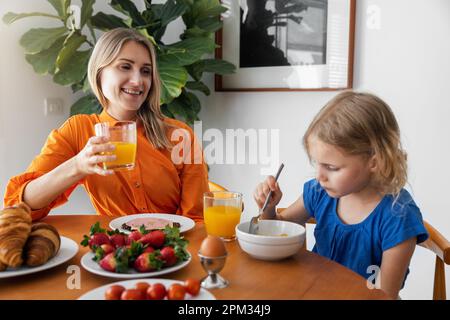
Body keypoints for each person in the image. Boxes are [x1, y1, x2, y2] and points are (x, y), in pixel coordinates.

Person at [4, 28, 209, 222]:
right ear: (99, 73)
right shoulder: (78, 131)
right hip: (113, 252)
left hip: (171, 252)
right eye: (125, 67)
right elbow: (17, 206)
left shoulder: (180, 135)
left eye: (146, 71)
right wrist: (77, 166)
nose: (138, 81)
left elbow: (196, 218)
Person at [253, 91, 428, 299]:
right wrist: (269, 208)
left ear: (374, 160)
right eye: (317, 163)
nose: (319, 176)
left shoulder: (398, 216)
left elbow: (384, 295)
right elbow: (277, 230)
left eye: (331, 167)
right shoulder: (320, 193)